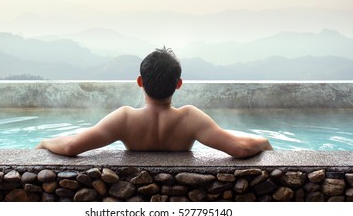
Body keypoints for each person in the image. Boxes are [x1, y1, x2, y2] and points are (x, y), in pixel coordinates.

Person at [36, 47, 273, 158]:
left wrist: (46, 142)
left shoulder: (125, 119)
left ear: (140, 81)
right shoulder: (189, 118)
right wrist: (263, 141)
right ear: (178, 84)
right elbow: (239, 148)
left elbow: (70, 147)